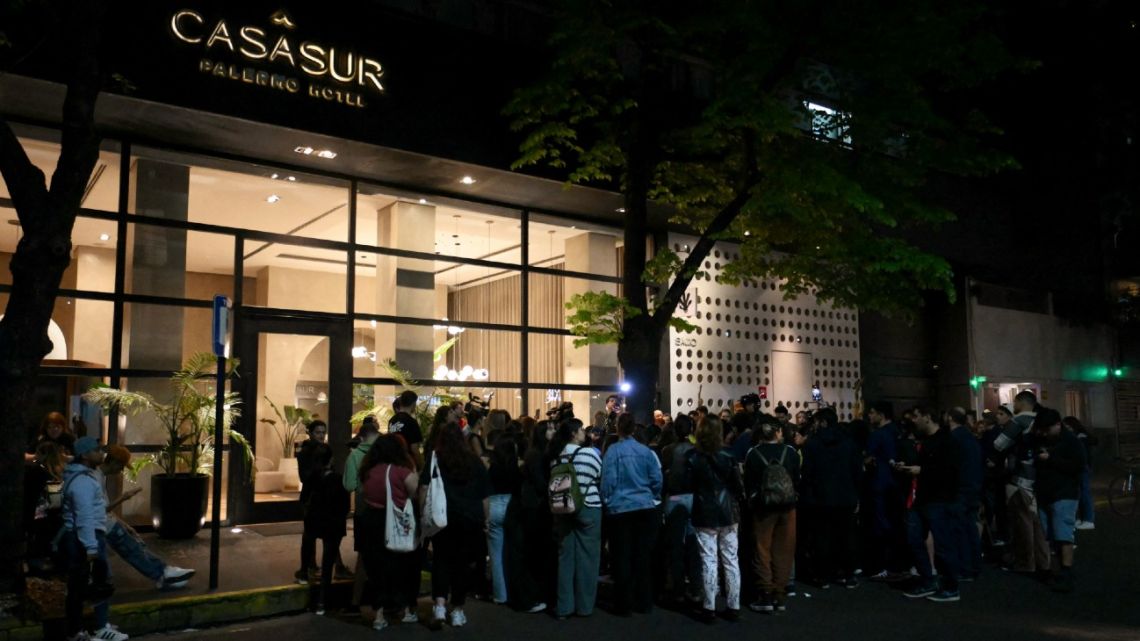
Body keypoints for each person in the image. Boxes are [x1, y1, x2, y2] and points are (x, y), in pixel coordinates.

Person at [421, 422, 491, 629]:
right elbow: (485, 495)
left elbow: (424, 487)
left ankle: (440, 605)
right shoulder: (474, 462)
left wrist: (422, 513)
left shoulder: (435, 459)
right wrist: (486, 519)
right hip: (470, 518)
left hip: (442, 518)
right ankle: (458, 609)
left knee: (441, 559)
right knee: (462, 564)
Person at [60, 436, 129, 641]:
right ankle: (87, 630)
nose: (102, 453)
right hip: (84, 539)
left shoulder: (85, 477)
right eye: (97, 450)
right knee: (87, 585)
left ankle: (91, 627)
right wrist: (91, 547)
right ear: (85, 455)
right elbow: (84, 517)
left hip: (85, 537)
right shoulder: (83, 482)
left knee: (88, 584)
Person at [99, 447, 195, 590]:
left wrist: (124, 524)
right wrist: (124, 498)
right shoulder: (95, 478)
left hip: (107, 523)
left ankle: (164, 572)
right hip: (105, 525)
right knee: (132, 550)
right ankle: (163, 573)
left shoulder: (99, 475)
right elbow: (100, 510)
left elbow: (103, 510)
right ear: (114, 463)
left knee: (135, 547)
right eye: (121, 466)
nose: (120, 470)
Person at [601, 412, 663, 616]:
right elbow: (656, 479)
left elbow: (607, 481)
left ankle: (624, 603)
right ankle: (644, 601)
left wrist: (607, 500)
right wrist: (650, 495)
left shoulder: (613, 451)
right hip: (644, 507)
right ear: (634, 429)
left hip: (620, 508)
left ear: (618, 428)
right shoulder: (645, 451)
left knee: (621, 557)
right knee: (642, 556)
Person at [898, 407, 963, 603]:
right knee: (914, 539)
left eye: (917, 417)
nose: (913, 421)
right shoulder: (930, 441)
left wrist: (922, 470)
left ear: (927, 417)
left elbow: (950, 471)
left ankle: (950, 586)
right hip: (924, 499)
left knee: (942, 544)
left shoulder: (947, 441)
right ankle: (929, 580)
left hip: (939, 500)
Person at [359, 434, 421, 629]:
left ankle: (378, 616)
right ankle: (406, 610)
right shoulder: (401, 471)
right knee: (404, 566)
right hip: (396, 523)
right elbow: (414, 492)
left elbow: (363, 491)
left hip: (371, 521)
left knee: (376, 569)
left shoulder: (368, 470)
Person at [686, 417, 743, 623]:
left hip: (704, 511)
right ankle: (734, 606)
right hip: (728, 511)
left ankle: (709, 607)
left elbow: (689, 483)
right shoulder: (728, 454)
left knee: (708, 560)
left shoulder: (692, 456)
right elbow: (737, 485)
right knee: (731, 559)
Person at [799, 407, 861, 589]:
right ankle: (848, 574)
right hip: (846, 497)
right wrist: (857, 495)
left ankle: (823, 575)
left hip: (821, 498)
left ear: (823, 422)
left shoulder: (812, 444)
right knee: (847, 536)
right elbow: (856, 471)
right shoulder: (849, 443)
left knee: (822, 537)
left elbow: (807, 472)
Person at [548, 419, 603, 619]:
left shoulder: (557, 456)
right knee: (588, 558)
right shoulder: (589, 454)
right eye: (581, 430)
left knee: (565, 558)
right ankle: (585, 606)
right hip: (588, 507)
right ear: (574, 433)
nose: (584, 433)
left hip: (562, 508)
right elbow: (600, 476)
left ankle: (564, 606)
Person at [993, 391, 1051, 575]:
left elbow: (999, 444)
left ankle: (1026, 563)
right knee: (1038, 524)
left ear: (1020, 402)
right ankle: (1044, 562)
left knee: (1022, 523)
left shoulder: (1018, 421)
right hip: (1040, 478)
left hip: (1020, 479)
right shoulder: (1043, 419)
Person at [744, 421, 800, 613]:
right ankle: (780, 595)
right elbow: (797, 477)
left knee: (762, 549)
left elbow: (748, 481)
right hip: (788, 506)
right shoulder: (790, 452)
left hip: (763, 507)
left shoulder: (753, 453)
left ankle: (765, 594)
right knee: (784, 551)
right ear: (777, 433)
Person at [1032, 408, 1084, 592]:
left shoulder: (1071, 442)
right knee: (1051, 534)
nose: (1044, 433)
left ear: (1057, 424)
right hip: (1045, 492)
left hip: (1065, 493)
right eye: (1042, 430)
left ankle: (1066, 572)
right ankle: (1057, 569)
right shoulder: (1041, 439)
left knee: (1063, 534)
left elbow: (1077, 466)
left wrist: (1051, 458)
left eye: (1047, 429)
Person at [863, 401, 908, 581]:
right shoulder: (898, 432)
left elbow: (868, 458)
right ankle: (900, 563)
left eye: (873, 412)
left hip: (880, 484)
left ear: (882, 415)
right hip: (897, 484)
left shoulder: (878, 435)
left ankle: (883, 565)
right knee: (898, 523)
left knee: (881, 525)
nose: (870, 416)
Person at [304, 444, 350, 615]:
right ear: (331, 459)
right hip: (333, 524)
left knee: (316, 559)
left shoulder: (312, 478)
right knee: (327, 561)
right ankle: (323, 601)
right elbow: (344, 505)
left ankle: (317, 601)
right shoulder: (338, 479)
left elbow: (304, 500)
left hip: (315, 522)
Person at [660, 414, 700, 605]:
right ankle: (696, 586)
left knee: (675, 545)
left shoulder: (668, 450)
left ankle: (678, 589)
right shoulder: (696, 450)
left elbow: (664, 476)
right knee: (693, 544)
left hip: (674, 498)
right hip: (692, 497)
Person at [342, 416, 381, 607]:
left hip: (363, 511)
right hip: (383, 510)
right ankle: (381, 600)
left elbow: (348, 485)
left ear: (362, 437)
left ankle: (355, 601)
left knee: (363, 558)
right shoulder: (383, 454)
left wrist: (360, 486)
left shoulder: (355, 455)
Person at [296, 420, 335, 584]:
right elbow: (304, 477)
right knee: (309, 535)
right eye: (318, 432)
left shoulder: (326, 449)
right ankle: (307, 568)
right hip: (311, 497)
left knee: (318, 534)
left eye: (323, 432)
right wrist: (321, 471)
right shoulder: (305, 452)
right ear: (311, 433)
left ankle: (311, 567)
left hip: (323, 496)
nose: (321, 435)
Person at [948, 408, 983, 580]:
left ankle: (964, 567)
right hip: (973, 487)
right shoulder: (970, 437)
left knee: (959, 528)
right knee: (970, 527)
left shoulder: (954, 438)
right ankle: (974, 565)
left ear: (949, 418)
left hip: (960, 489)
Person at [487, 433, 522, 605]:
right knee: (513, 551)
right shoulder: (516, 467)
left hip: (494, 505)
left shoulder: (493, 468)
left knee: (495, 553)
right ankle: (515, 590)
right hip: (510, 505)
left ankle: (500, 594)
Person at [1064, 416, 1097, 530]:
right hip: (1082, 468)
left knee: (1084, 493)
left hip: (1082, 468)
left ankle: (1088, 519)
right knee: (1080, 493)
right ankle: (1082, 519)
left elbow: (1081, 456)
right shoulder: (1080, 437)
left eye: (1068, 426)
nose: (1067, 429)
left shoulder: (1081, 438)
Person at [389, 390, 424, 467]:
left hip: (394, 462)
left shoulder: (392, 420)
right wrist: (421, 465)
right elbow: (414, 448)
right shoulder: (411, 422)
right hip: (407, 464)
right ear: (413, 403)